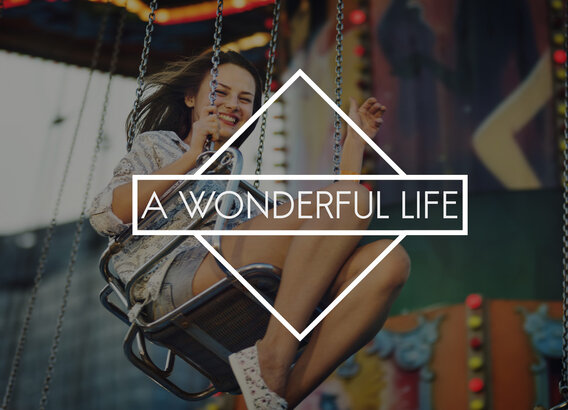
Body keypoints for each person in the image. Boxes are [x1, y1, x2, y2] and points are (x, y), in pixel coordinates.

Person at [88, 50, 410, 409]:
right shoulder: (159, 146)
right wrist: (191, 156)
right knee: (349, 199)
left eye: (245, 99)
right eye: (220, 93)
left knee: (389, 261)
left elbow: (336, 223)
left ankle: (276, 396)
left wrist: (354, 145)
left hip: (245, 282)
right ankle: (271, 359)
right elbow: (106, 216)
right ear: (191, 97)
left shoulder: (240, 186)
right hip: (173, 275)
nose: (233, 105)